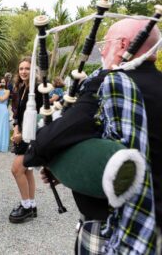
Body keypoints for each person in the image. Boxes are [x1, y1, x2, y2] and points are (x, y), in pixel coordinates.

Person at [29, 19, 162, 254]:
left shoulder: (109, 84)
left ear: (123, 45)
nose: (101, 50)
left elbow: (45, 142)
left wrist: (57, 161)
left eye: (106, 43)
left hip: (117, 230)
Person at [9, 57, 42, 223]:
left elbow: (40, 117)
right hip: (22, 135)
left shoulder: (37, 90)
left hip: (32, 136)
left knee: (16, 169)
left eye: (27, 68)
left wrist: (22, 135)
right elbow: (17, 113)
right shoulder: (21, 87)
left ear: (33, 70)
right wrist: (16, 129)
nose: (23, 71)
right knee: (26, 170)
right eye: (21, 68)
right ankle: (32, 204)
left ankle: (26, 206)